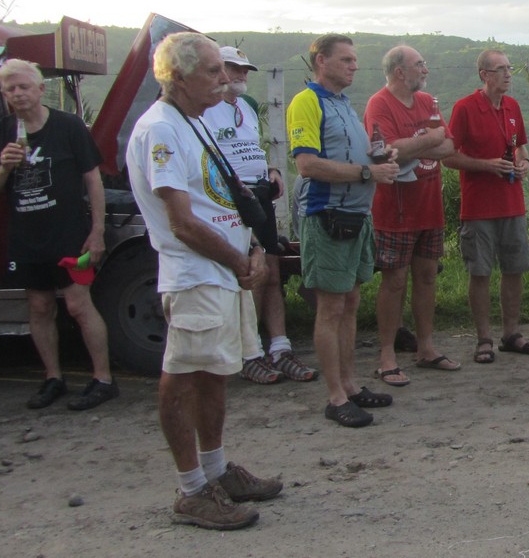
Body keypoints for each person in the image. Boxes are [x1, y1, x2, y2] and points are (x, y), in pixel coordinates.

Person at [127, 33, 281, 530]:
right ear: (178, 77)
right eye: (213, 71)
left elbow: (220, 200)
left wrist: (251, 249)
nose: (224, 80)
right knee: (184, 377)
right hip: (195, 274)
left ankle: (216, 472)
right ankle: (192, 490)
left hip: (221, 271)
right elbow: (182, 222)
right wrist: (238, 262)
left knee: (214, 372)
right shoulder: (161, 129)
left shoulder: (192, 122)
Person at [289, 34, 400, 428]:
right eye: (346, 59)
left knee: (350, 301)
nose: (355, 65)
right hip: (327, 215)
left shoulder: (343, 104)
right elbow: (307, 165)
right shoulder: (308, 102)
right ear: (321, 61)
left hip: (356, 215)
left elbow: (351, 155)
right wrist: (368, 173)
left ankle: (351, 385)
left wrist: (380, 157)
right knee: (331, 307)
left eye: (354, 59)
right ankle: (335, 396)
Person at [0, 59, 116, 410]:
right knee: (39, 306)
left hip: (69, 234)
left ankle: (103, 379)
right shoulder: (1, 132)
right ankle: (53, 378)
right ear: (3, 94)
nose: (18, 94)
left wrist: (97, 231)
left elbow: (93, 179)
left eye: (24, 87)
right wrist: (5, 167)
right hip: (27, 237)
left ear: (40, 89)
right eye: (10, 89)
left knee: (78, 305)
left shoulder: (67, 125)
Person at [200, 46, 317, 384]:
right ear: (217, 70)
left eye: (245, 69)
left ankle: (280, 347)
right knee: (248, 272)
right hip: (229, 198)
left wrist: (271, 170)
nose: (241, 75)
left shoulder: (247, 106)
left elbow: (250, 147)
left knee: (271, 270)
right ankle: (248, 352)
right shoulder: (206, 109)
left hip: (260, 194)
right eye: (233, 67)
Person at [364, 45, 460, 386]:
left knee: (428, 276)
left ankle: (426, 348)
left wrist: (416, 145)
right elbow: (385, 150)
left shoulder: (427, 102)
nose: (426, 70)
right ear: (400, 72)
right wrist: (430, 139)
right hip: (395, 208)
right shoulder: (379, 104)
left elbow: (449, 146)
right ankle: (387, 356)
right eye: (419, 64)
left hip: (429, 205)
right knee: (394, 281)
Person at [444, 49, 529, 364]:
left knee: (515, 269)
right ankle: (483, 339)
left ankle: (511, 334)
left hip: (512, 203)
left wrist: (524, 164)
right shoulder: (465, 108)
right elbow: (448, 157)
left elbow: (521, 147)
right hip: (479, 207)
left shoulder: (512, 106)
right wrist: (486, 165)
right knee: (480, 272)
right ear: (484, 75)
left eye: (509, 68)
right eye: (500, 69)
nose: (508, 74)